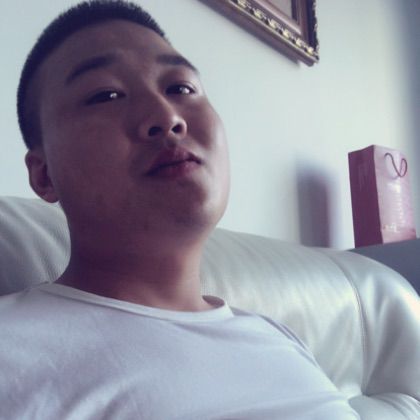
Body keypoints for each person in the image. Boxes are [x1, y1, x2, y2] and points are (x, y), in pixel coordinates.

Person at [1, 1, 360, 418]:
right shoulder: (14, 349)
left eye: (181, 88)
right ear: (44, 174)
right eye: (106, 95)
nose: (166, 115)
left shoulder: (276, 336)